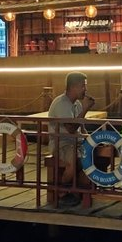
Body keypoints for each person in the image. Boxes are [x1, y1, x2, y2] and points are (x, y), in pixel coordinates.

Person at [47, 72, 96, 207]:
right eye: (83, 86)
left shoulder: (77, 104)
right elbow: (70, 128)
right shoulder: (61, 103)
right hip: (61, 142)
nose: (85, 90)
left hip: (76, 141)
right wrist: (85, 109)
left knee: (96, 155)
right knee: (74, 159)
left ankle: (78, 189)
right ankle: (62, 191)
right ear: (73, 87)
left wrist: (92, 140)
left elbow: (82, 128)